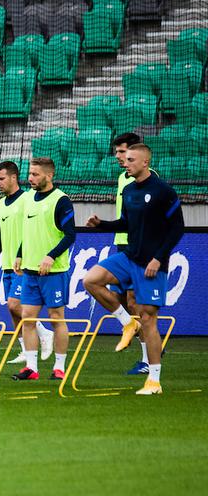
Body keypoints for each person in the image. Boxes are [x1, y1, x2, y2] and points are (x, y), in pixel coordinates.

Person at [84, 144, 184, 395]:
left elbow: (177, 229)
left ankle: (154, 381)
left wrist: (158, 259)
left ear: (145, 162)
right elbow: (126, 224)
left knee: (149, 319)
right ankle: (128, 323)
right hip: (129, 256)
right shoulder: (128, 190)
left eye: (130, 159)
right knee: (91, 280)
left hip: (151, 264)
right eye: (124, 159)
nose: (125, 163)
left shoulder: (164, 192)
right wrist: (102, 225)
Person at [10, 157, 75, 382]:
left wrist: (51, 256)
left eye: (35, 174)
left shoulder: (61, 200)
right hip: (29, 270)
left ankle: (59, 367)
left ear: (49, 175)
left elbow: (70, 235)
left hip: (54, 271)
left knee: (56, 318)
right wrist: (19, 253)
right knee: (27, 318)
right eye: (30, 174)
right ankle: (31, 367)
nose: (30, 178)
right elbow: (28, 230)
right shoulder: (28, 198)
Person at [0, 161, 53, 364]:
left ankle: (45, 333)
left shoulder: (27, 199)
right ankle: (25, 350)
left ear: (14, 178)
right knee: (12, 309)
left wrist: (23, 255)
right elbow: (3, 233)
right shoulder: (1, 203)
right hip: (7, 264)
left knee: (16, 305)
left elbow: (32, 230)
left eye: (2, 178)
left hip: (24, 264)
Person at [109, 132, 153, 375]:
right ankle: (147, 341)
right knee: (124, 301)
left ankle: (147, 360)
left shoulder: (148, 181)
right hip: (122, 245)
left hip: (140, 248)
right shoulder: (121, 178)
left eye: (121, 151)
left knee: (137, 302)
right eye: (116, 152)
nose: (118, 156)